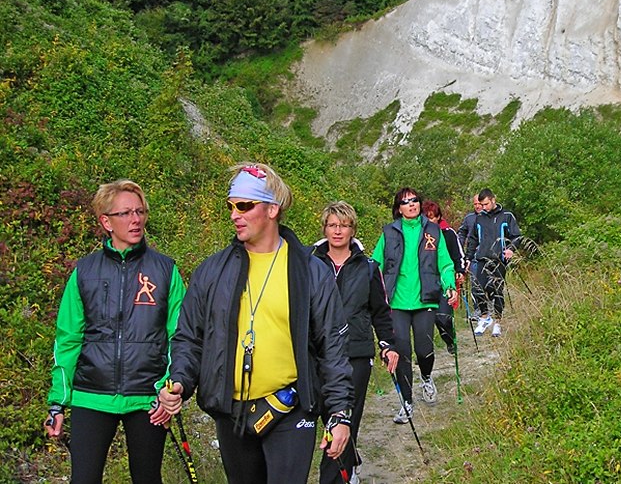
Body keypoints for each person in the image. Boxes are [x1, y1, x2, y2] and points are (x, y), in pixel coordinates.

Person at [158, 163, 353, 484]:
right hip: (231, 411)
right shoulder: (212, 271)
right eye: (231, 205)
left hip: (291, 409)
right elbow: (189, 338)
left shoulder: (309, 272)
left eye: (245, 205)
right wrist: (179, 380)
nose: (235, 214)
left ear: (272, 209)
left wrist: (339, 414)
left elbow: (332, 347)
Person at [43, 179, 185, 484]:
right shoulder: (85, 271)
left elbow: (180, 337)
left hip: (147, 398)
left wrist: (169, 388)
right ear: (105, 221)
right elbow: (67, 339)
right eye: (125, 214)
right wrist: (58, 402)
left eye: (140, 211)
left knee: (147, 478)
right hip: (91, 395)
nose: (135, 220)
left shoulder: (165, 270)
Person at [311, 201, 399, 484]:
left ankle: (337, 477)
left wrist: (387, 344)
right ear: (325, 228)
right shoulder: (308, 264)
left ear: (353, 230)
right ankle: (350, 458)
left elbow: (380, 311)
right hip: (316, 353)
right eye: (333, 225)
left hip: (356, 352)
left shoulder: (369, 267)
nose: (338, 231)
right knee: (326, 413)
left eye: (344, 225)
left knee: (345, 418)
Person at [371, 188, 457, 421]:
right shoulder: (388, 233)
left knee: (424, 349)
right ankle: (407, 402)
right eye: (405, 202)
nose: (411, 204)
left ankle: (426, 378)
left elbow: (446, 264)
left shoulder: (433, 231)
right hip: (396, 302)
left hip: (425, 299)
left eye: (415, 200)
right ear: (398, 208)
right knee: (401, 352)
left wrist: (449, 286)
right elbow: (375, 265)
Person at [464, 188, 521, 337]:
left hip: (499, 260)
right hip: (482, 258)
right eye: (481, 205)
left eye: (486, 204)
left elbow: (516, 236)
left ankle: (498, 322)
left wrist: (511, 249)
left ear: (493, 200)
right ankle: (484, 317)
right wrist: (468, 258)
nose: (483, 208)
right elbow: (473, 239)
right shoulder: (480, 218)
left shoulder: (506, 216)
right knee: (478, 289)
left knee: (496, 291)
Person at [421, 199, 465, 354]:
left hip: (446, 280)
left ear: (438, 217)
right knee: (431, 319)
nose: (429, 221)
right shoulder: (418, 236)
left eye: (432, 217)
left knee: (443, 316)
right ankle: (440, 343)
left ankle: (450, 339)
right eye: (426, 217)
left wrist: (460, 270)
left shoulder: (448, 233)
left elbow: (458, 254)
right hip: (425, 282)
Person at [456, 194, 481, 322]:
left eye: (479, 203)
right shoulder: (469, 218)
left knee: (491, 283)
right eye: (475, 204)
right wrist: (459, 247)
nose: (477, 206)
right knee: (475, 283)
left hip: (491, 256)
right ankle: (478, 310)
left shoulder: (493, 217)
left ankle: (493, 309)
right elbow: (462, 233)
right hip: (473, 256)